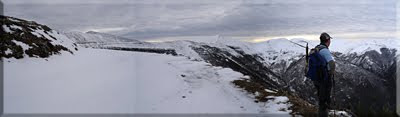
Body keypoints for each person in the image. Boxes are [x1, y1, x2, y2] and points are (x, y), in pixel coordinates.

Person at [313, 32, 336, 117]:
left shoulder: (317, 48)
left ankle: (321, 114)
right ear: (328, 40)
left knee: (321, 98)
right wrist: (331, 73)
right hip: (324, 79)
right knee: (325, 100)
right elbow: (332, 64)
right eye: (329, 40)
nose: (330, 41)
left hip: (316, 78)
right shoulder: (325, 50)